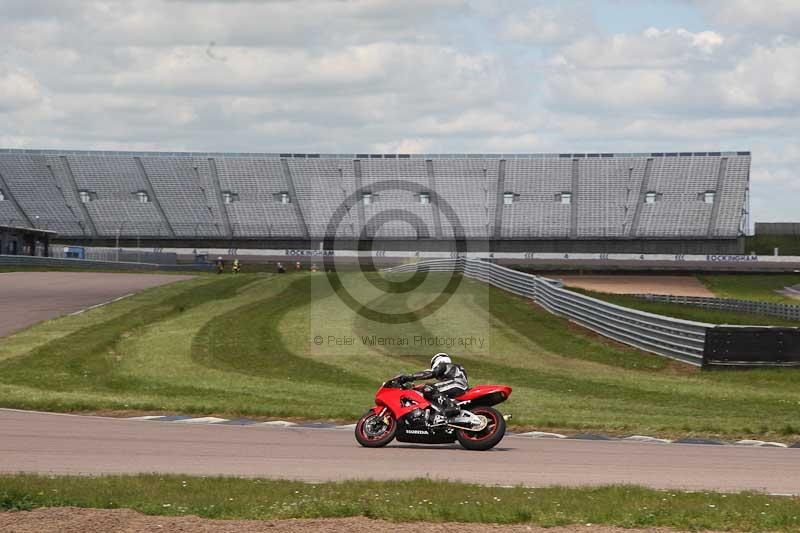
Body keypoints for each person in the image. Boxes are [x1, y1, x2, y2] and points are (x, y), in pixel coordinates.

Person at [398, 353, 468, 418]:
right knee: (433, 390)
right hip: (461, 387)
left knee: (428, 387)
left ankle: (451, 406)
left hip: (455, 384)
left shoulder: (443, 365)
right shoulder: (452, 368)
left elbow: (431, 373)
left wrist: (410, 377)